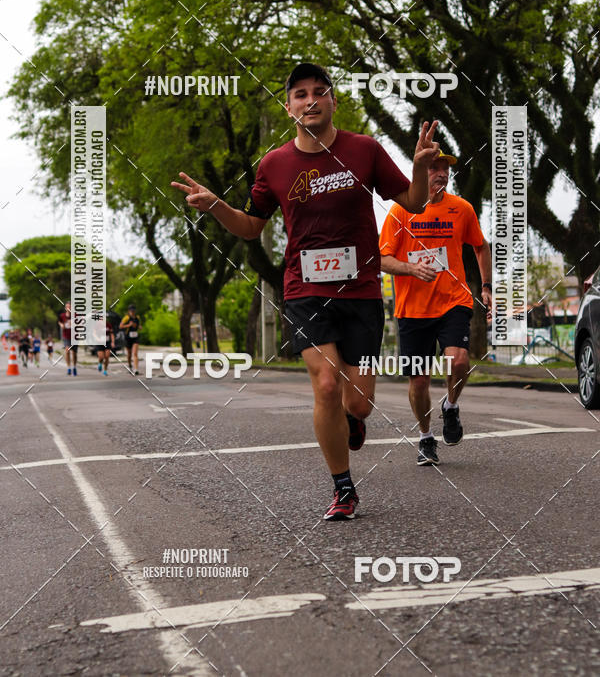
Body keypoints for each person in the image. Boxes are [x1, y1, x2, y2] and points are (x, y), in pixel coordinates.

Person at [172, 61, 440, 520]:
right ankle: (343, 487)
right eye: (300, 94)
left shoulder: (365, 150)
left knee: (358, 401)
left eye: (319, 91)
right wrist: (217, 205)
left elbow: (413, 203)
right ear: (289, 106)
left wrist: (418, 168)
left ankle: (353, 420)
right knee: (327, 384)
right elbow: (252, 228)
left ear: (333, 101)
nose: (310, 100)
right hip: (304, 289)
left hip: (361, 291)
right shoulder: (274, 164)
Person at [379, 152, 492, 466]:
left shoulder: (461, 208)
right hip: (412, 309)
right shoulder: (401, 211)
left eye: (445, 169)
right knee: (419, 382)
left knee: (459, 361)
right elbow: (382, 258)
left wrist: (486, 286)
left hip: (453, 301)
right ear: (420, 172)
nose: (441, 174)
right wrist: (411, 268)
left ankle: (451, 406)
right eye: (434, 168)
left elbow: (480, 245)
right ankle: (426, 438)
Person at [120, 304, 141, 375]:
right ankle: (129, 365)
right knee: (129, 354)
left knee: (135, 353)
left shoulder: (137, 317)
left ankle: (136, 369)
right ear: (129, 311)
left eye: (133, 311)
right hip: (128, 338)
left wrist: (139, 327)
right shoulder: (126, 318)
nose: (132, 312)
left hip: (135, 338)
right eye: (131, 311)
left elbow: (137, 325)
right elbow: (120, 326)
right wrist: (128, 325)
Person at [58, 301, 77, 376]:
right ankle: (69, 367)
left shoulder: (75, 315)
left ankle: (74, 367)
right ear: (65, 308)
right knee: (67, 351)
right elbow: (59, 322)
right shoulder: (62, 316)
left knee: (74, 353)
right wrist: (61, 325)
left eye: (70, 307)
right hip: (66, 336)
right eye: (67, 307)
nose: (69, 308)